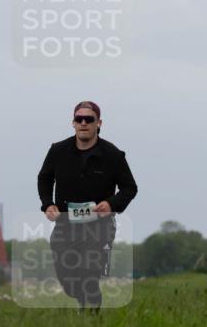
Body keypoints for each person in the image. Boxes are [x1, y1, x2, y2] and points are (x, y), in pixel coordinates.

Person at [37, 101, 138, 312]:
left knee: (89, 275)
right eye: (78, 119)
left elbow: (130, 188)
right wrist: (48, 204)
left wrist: (111, 204)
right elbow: (45, 178)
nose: (83, 123)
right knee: (69, 281)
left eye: (89, 119)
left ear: (98, 123)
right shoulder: (58, 151)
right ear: (73, 123)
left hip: (99, 227)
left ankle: (91, 321)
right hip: (66, 224)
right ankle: (83, 302)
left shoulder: (113, 155)